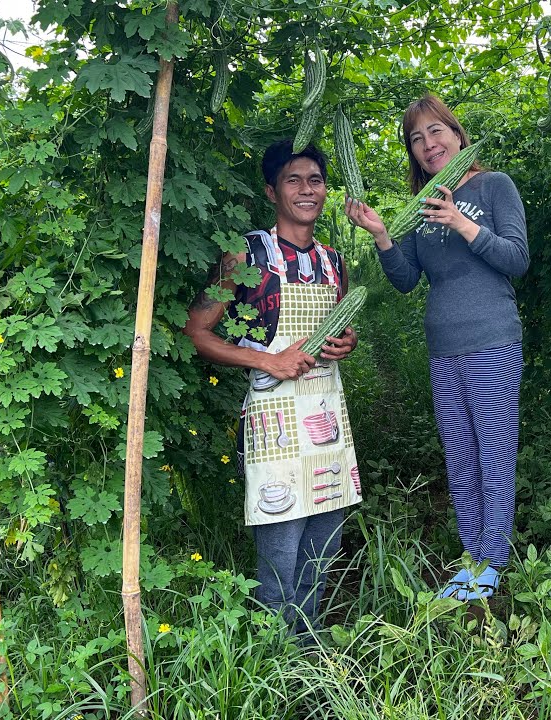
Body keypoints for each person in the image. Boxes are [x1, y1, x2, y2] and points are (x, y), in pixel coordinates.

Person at [344, 93, 528, 601]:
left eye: (436, 131)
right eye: (416, 139)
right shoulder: (422, 207)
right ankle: (471, 561)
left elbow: (517, 259)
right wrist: (383, 234)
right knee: (461, 457)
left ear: (457, 133)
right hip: (442, 348)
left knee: (493, 452)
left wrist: (464, 223)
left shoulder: (494, 187)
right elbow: (406, 281)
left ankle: (493, 562)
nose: (428, 145)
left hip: (492, 339)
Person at [184, 140, 361, 633]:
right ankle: (272, 665)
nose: (307, 190)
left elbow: (341, 328)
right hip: (274, 426)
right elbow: (196, 332)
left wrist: (346, 342)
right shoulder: (246, 254)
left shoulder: (333, 262)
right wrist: (267, 359)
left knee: (322, 556)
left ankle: (307, 656)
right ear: (271, 190)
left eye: (316, 180)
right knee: (280, 563)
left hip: (327, 424)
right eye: (293, 180)